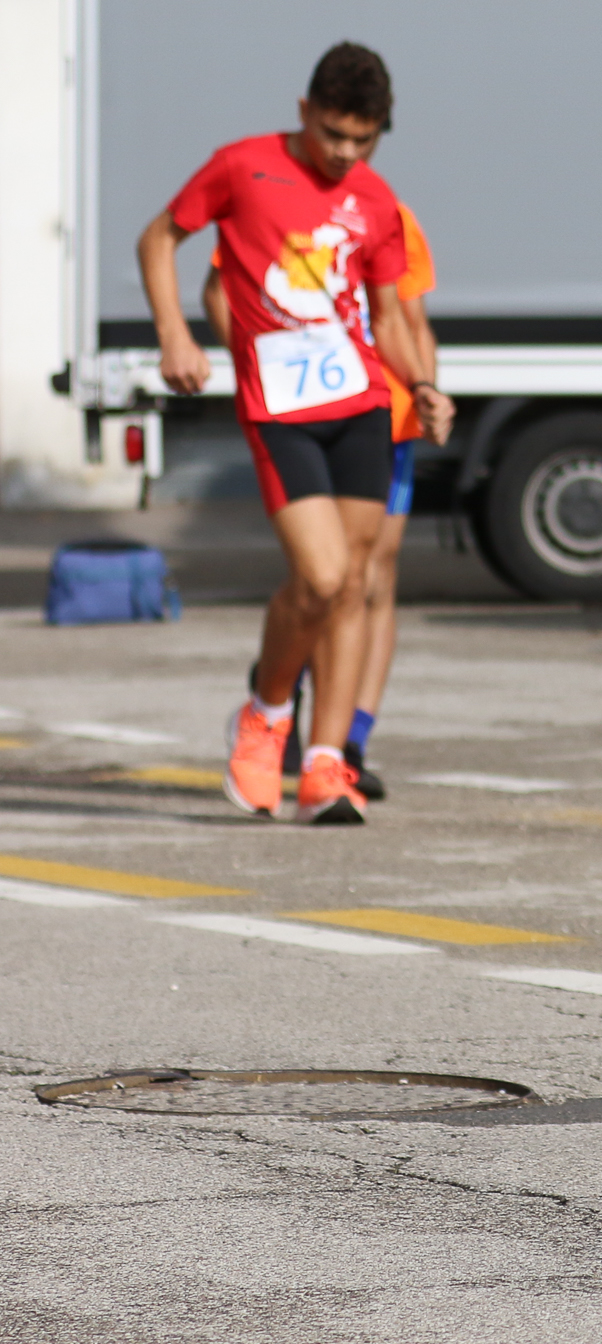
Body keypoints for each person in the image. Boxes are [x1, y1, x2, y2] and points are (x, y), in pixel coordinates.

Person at [138, 42, 453, 825]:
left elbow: (388, 318)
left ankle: (325, 765)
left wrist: (422, 385)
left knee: (352, 583)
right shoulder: (243, 166)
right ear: (305, 110)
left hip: (361, 407)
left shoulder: (376, 200)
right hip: (281, 409)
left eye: (363, 140)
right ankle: (266, 712)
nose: (345, 153)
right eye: (333, 134)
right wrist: (176, 335)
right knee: (318, 575)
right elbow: (159, 239)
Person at [205, 201, 440, 801]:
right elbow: (220, 291)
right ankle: (276, 694)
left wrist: (426, 392)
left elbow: (411, 320)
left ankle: (347, 744)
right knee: (322, 577)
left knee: (372, 577)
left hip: (384, 414)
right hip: (304, 409)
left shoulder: (389, 213)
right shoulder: (270, 202)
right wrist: (258, 367)